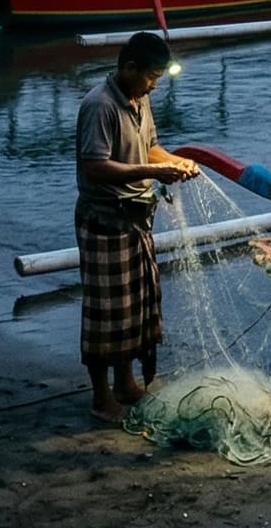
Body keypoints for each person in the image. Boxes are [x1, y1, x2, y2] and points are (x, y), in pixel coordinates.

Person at [74, 30, 198, 423]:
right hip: (104, 220)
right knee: (105, 313)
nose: (155, 85)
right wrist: (153, 170)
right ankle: (100, 396)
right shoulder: (100, 105)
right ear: (128, 67)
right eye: (151, 76)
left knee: (136, 308)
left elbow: (151, 148)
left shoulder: (139, 100)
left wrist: (174, 162)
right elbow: (96, 166)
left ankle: (126, 383)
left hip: (136, 220)